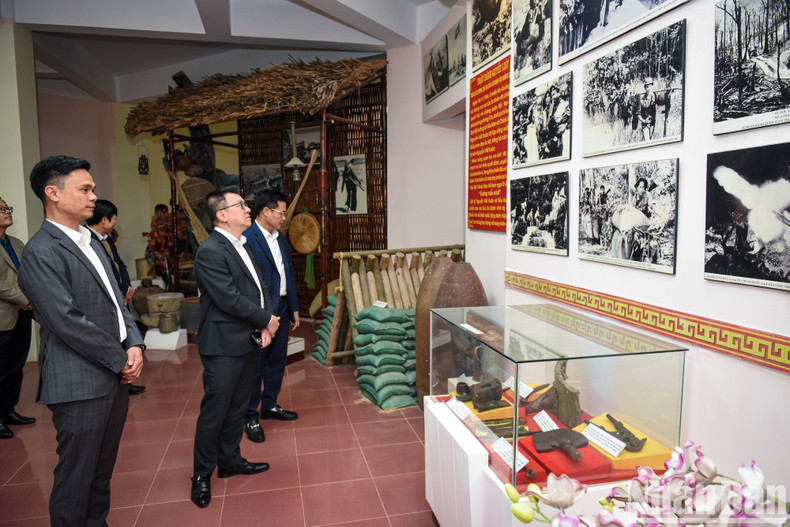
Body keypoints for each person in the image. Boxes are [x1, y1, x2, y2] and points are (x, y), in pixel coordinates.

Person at [18, 155, 144, 526]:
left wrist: (134, 343)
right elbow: (66, 320)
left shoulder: (90, 240)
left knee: (100, 473)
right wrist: (119, 358)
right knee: (77, 478)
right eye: (85, 189)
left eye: (93, 189)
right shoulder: (41, 250)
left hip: (112, 373)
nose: (94, 197)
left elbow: (115, 299)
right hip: (79, 382)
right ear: (52, 193)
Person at [191, 188, 280, 509]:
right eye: (240, 205)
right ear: (221, 215)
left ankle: (230, 460)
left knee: (239, 406)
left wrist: (265, 321)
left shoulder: (242, 244)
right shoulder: (210, 251)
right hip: (223, 344)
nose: (247, 208)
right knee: (215, 411)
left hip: (247, 338)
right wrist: (267, 320)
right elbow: (228, 298)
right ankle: (201, 475)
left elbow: (261, 286)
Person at [242, 189, 300, 443]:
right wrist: (259, 317)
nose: (284, 218)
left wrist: (295, 308)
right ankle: (250, 416)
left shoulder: (281, 239)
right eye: (281, 212)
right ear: (266, 211)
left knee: (277, 360)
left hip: (283, 306)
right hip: (261, 312)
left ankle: (270, 405)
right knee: (256, 365)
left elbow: (288, 273)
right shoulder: (247, 238)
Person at [86, 199, 146, 396]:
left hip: (122, 295)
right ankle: (121, 379)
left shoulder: (107, 238)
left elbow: (119, 265)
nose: (114, 223)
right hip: (111, 299)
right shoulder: (88, 241)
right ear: (104, 220)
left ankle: (127, 379)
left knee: (125, 339)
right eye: (113, 219)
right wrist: (118, 294)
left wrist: (127, 287)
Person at [0, 197, 35, 439]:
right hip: (3, 317)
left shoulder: (17, 243)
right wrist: (26, 300)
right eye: (1, 209)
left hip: (22, 316)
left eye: (7, 208)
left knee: (15, 367)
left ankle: (9, 410)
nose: (7, 212)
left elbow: (29, 276)